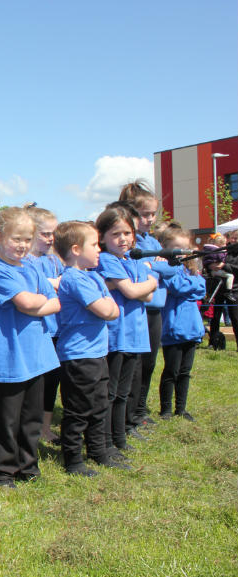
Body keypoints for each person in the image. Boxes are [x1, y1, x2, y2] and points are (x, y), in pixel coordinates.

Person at [0, 208, 60, 488]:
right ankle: (3, 471)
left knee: (31, 417)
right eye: (16, 239)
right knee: (8, 419)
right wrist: (37, 301)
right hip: (11, 356)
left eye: (27, 239)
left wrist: (34, 302)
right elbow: (26, 303)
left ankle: (28, 465)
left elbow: (56, 303)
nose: (22, 245)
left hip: (38, 355)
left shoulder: (32, 267)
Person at [52, 221, 125, 476]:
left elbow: (113, 310)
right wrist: (107, 305)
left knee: (100, 406)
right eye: (94, 244)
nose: (99, 249)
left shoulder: (93, 276)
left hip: (97, 353)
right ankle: (73, 459)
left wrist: (108, 306)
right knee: (79, 409)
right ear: (75, 249)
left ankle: (98, 451)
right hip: (79, 356)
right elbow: (106, 310)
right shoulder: (73, 279)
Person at [94, 206, 156, 460]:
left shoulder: (133, 260)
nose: (123, 239)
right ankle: (106, 440)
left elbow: (147, 296)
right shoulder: (107, 259)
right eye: (115, 234)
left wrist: (141, 286)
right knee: (110, 392)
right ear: (102, 237)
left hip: (136, 335)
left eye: (127, 233)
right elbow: (133, 291)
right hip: (116, 335)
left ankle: (120, 438)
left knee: (124, 392)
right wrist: (151, 282)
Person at [120, 181, 176, 427]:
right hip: (140, 308)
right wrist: (156, 266)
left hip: (156, 310)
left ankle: (140, 409)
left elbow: (173, 267)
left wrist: (154, 265)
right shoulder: (133, 243)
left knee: (150, 363)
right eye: (145, 214)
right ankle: (129, 414)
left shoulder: (152, 242)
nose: (150, 219)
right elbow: (141, 271)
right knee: (136, 365)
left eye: (153, 214)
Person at [157, 226, 205, 421]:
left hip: (191, 329)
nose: (181, 253)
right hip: (173, 330)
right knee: (171, 370)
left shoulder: (190, 269)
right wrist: (191, 286)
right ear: (165, 248)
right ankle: (166, 409)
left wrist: (189, 287)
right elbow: (177, 287)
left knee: (185, 372)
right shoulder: (167, 270)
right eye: (176, 248)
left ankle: (181, 408)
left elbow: (202, 288)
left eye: (184, 249)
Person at [24, 206, 64, 444]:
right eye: (45, 234)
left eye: (53, 234)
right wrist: (53, 283)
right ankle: (30, 426)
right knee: (36, 382)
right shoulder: (26, 261)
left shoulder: (53, 260)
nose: (50, 239)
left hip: (56, 328)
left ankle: (45, 428)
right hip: (38, 329)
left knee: (52, 381)